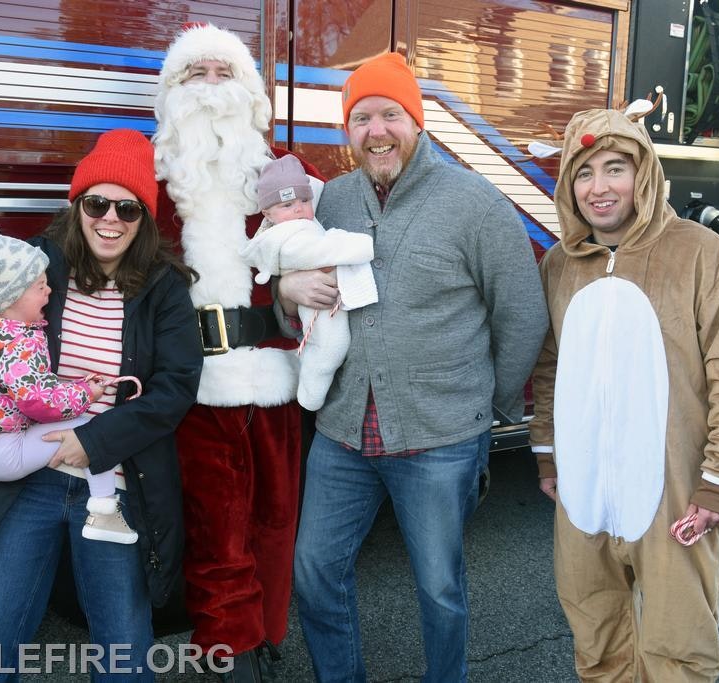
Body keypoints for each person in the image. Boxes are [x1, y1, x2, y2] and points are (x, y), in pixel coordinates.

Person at [281, 52, 549, 682]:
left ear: (417, 121)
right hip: (343, 432)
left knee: (439, 589)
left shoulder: (474, 201)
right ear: (347, 130)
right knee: (315, 572)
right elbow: (305, 311)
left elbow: (522, 314)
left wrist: (485, 407)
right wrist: (289, 295)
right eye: (362, 117)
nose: (377, 130)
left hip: (440, 438)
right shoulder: (333, 202)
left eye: (390, 115)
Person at [0, 128, 203, 680]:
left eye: (128, 209)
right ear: (77, 204)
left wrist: (91, 442)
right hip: (25, 476)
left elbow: (176, 387)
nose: (111, 220)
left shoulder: (164, 286)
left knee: (124, 647)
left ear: (144, 218)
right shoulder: (35, 262)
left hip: (115, 475)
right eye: (98, 203)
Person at [528, 107, 719, 681]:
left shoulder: (702, 254)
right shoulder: (559, 266)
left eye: (615, 168)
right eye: (583, 173)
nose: (599, 187)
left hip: (676, 491)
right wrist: (546, 450)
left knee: (678, 649)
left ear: (645, 174)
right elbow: (549, 364)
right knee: (597, 641)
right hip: (584, 492)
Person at [150, 23, 322, 681]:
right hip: (193, 392)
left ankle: (266, 632)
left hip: (275, 377)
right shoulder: (152, 178)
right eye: (197, 75)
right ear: (173, 91)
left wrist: (301, 286)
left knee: (277, 524)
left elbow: (328, 254)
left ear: (249, 91)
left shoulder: (285, 171)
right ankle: (232, 650)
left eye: (226, 74)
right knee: (217, 530)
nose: (213, 89)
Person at [0, 203, 141, 545]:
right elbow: (40, 402)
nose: (49, 292)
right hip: (4, 454)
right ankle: (105, 510)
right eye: (39, 287)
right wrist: (86, 393)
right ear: (10, 298)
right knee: (93, 431)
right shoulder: (18, 342)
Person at [240, 154, 377, 410]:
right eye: (288, 204)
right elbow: (318, 251)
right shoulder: (282, 237)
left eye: (304, 200)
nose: (299, 208)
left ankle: (311, 390)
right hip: (317, 305)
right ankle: (310, 397)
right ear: (267, 212)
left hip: (324, 297)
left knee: (329, 347)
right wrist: (365, 246)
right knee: (331, 347)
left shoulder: (302, 224)